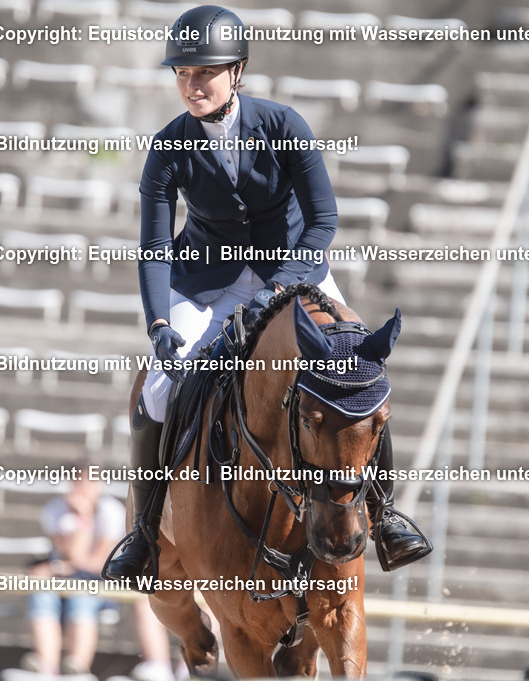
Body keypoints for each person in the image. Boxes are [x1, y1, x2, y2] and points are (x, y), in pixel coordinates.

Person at [102, 5, 432, 583]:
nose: (191, 84)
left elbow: (324, 220)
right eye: (182, 73)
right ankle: (145, 533)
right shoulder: (167, 148)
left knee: (356, 367)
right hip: (206, 281)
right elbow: (155, 247)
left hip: (294, 267)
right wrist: (160, 327)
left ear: (238, 71)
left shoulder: (282, 125)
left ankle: (385, 515)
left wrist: (281, 284)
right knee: (156, 391)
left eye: (204, 72)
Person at [26, 470, 125, 674]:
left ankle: (77, 668)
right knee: (41, 593)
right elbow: (71, 556)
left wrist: (84, 518)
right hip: (66, 578)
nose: (82, 487)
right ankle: (46, 669)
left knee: (83, 595)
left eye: (89, 481)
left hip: (98, 583)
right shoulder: (55, 509)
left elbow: (98, 564)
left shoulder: (112, 511)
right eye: (78, 481)